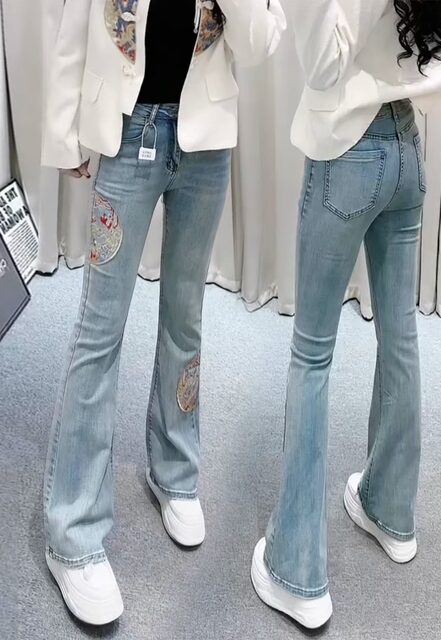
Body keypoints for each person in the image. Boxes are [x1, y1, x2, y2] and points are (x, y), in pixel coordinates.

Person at [42, 0, 286, 626]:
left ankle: (175, 472)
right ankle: (72, 532)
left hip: (206, 145)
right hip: (128, 132)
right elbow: (74, 22)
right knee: (100, 328)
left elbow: (259, 45)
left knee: (186, 315)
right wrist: (63, 129)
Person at [251, 0, 441, 630]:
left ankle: (296, 570)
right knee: (400, 335)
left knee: (311, 353)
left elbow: (324, 66)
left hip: (348, 152)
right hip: (405, 144)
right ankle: (391, 511)